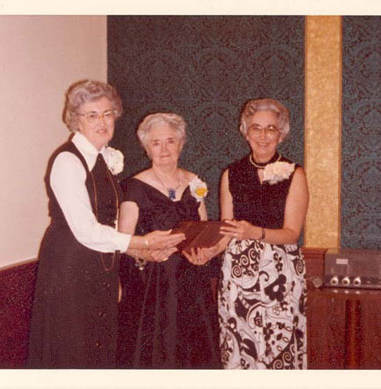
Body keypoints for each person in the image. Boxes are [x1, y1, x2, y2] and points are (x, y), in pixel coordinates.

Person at [26, 80, 184, 369]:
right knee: (73, 347)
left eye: (108, 113)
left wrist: (138, 256)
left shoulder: (102, 159)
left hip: (100, 264)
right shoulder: (67, 161)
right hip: (70, 266)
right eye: (92, 115)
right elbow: (86, 230)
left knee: (97, 344)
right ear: (76, 120)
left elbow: (108, 223)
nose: (102, 121)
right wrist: (144, 242)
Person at [117, 112, 222, 369]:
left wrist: (205, 253)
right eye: (156, 143)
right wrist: (146, 252)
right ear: (146, 147)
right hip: (151, 285)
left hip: (191, 283)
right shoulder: (134, 187)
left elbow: (203, 230)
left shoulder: (194, 182)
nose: (164, 149)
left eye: (170, 141)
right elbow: (122, 242)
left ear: (181, 143)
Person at [214, 98, 309, 369]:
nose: (263, 135)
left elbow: (292, 233)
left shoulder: (295, 173)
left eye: (270, 129)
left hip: (280, 273)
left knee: (277, 348)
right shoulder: (231, 173)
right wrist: (210, 250)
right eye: (256, 128)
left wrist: (255, 232)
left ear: (281, 134)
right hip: (238, 274)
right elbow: (227, 229)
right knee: (240, 345)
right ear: (245, 132)